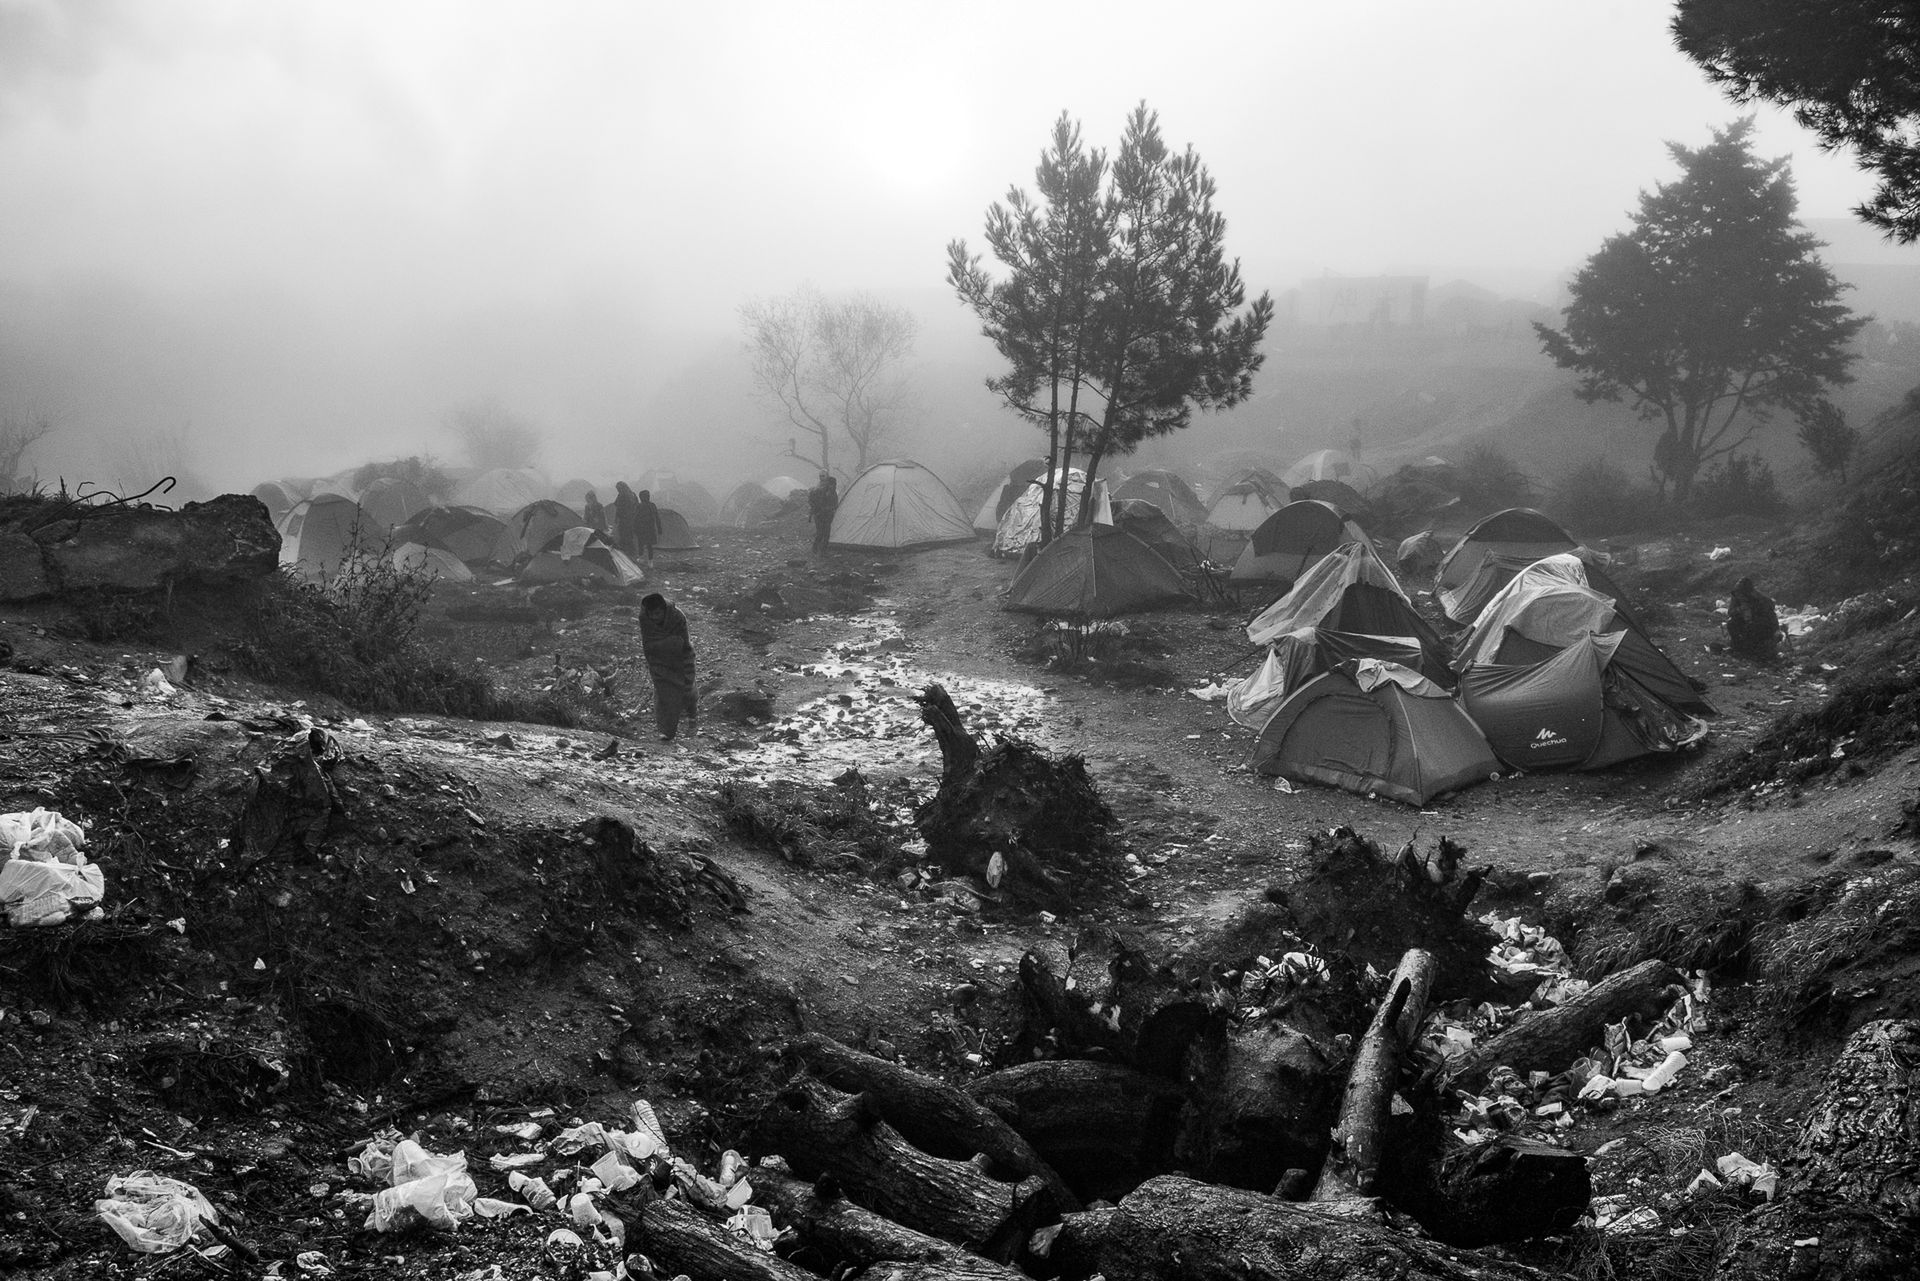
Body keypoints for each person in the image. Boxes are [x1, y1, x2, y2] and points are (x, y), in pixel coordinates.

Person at [639, 592, 697, 741]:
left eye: (658, 613)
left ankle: (692, 718)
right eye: (651, 614)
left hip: (681, 656)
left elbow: (682, 642)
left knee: (687, 688)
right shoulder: (644, 617)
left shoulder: (677, 617)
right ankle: (667, 731)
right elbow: (648, 642)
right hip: (658, 659)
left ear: (664, 610)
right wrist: (666, 644)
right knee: (664, 692)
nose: (654, 617)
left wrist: (671, 644)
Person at [1727, 576, 1781, 661]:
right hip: (1743, 622)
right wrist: (1740, 610)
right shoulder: (1736, 597)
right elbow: (1730, 612)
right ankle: (1737, 647)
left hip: (1759, 624)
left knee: (1754, 628)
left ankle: (1756, 649)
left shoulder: (1759, 598)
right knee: (1731, 624)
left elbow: (1770, 610)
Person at [808, 472, 838, 553]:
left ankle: (822, 550)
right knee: (821, 533)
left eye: (834, 485)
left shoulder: (833, 493)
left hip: (827, 515)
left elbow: (835, 504)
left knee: (826, 534)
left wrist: (830, 509)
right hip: (820, 515)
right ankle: (815, 549)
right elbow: (815, 503)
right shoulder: (820, 492)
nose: (832, 486)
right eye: (831, 484)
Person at [634, 488, 664, 566]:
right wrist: (659, 529)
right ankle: (650, 562)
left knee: (641, 543)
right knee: (649, 545)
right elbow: (657, 518)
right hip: (650, 528)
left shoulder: (639, 506)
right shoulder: (652, 505)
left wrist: (634, 528)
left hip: (641, 528)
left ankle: (641, 558)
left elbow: (636, 518)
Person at [611, 481, 641, 558]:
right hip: (632, 518)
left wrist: (616, 518)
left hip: (624, 519)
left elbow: (618, 508)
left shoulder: (621, 495)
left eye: (618, 488)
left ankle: (626, 551)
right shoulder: (633, 494)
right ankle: (631, 552)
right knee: (629, 535)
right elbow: (637, 506)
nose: (618, 490)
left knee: (623, 534)